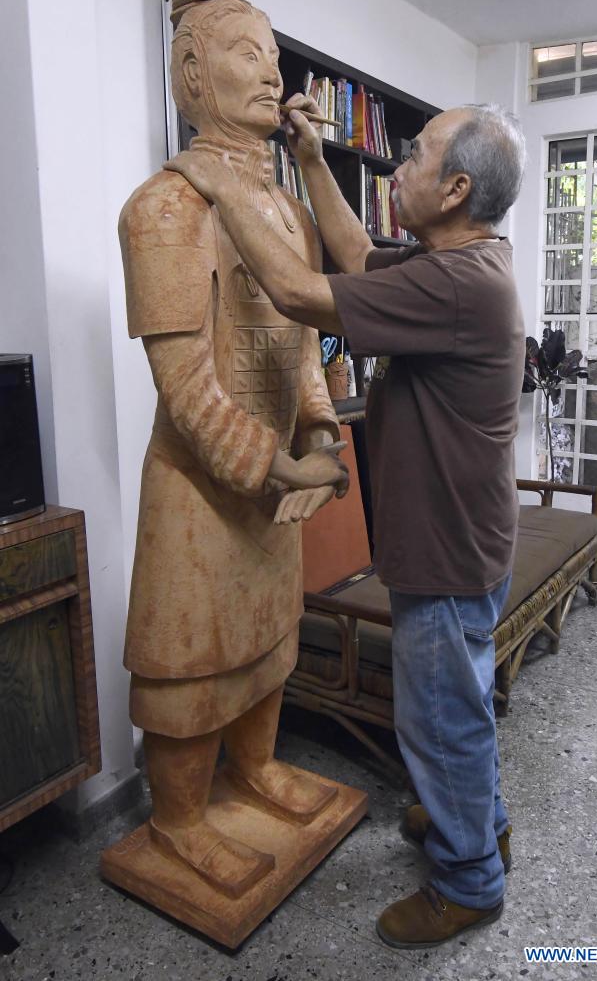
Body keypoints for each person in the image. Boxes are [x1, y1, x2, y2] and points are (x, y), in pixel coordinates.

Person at [166, 96, 526, 945]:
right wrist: (315, 161)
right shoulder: (459, 262)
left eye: (418, 154)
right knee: (459, 703)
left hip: (444, 547)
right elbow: (356, 255)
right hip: (460, 536)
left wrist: (218, 182)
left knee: (439, 718)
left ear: (456, 189)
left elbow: (296, 291)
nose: (399, 164)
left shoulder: (458, 285)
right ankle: (480, 819)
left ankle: (469, 878)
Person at [119, 0, 349, 899]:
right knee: (192, 654)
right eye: (246, 52)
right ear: (190, 74)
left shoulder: (288, 214)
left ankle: (255, 769)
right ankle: (176, 819)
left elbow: (297, 347)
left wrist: (323, 426)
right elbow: (184, 387)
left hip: (277, 482)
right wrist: (270, 462)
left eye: (272, 53)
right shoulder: (165, 209)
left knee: (267, 636)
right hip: (199, 489)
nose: (272, 71)